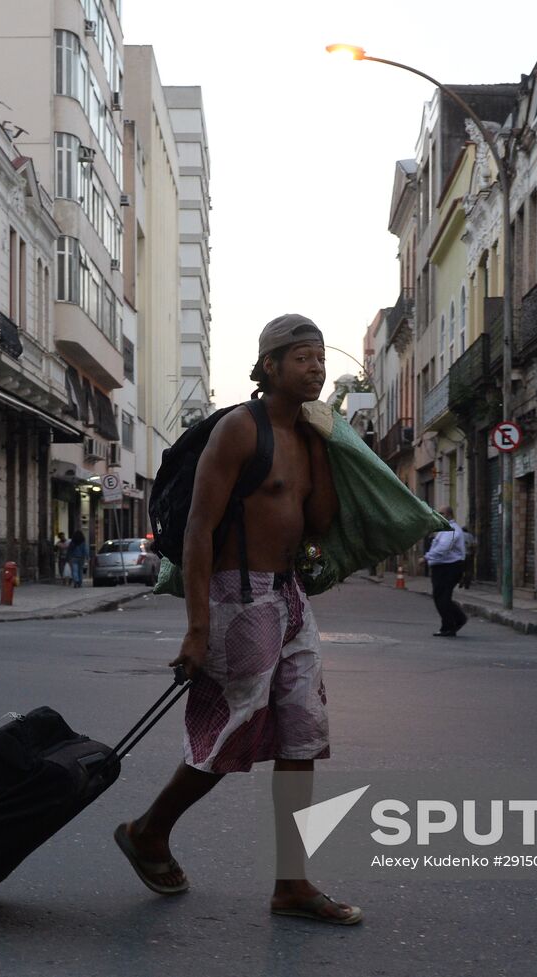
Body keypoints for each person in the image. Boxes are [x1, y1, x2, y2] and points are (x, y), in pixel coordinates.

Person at [114, 313, 361, 925]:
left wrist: (329, 440)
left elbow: (323, 521)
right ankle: (148, 830)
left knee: (303, 734)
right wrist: (197, 628)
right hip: (238, 597)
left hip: (291, 599)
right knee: (228, 736)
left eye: (320, 358)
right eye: (302, 357)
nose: (316, 368)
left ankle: (292, 883)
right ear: (270, 366)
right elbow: (198, 529)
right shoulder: (238, 431)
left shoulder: (309, 436)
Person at [424, 506, 468, 637]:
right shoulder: (444, 529)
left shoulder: (452, 530)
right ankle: (456, 620)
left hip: (449, 568)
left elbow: (443, 548)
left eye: (441, 513)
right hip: (442, 567)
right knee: (441, 597)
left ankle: (449, 626)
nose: (439, 515)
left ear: (449, 515)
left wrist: (426, 557)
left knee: (442, 598)